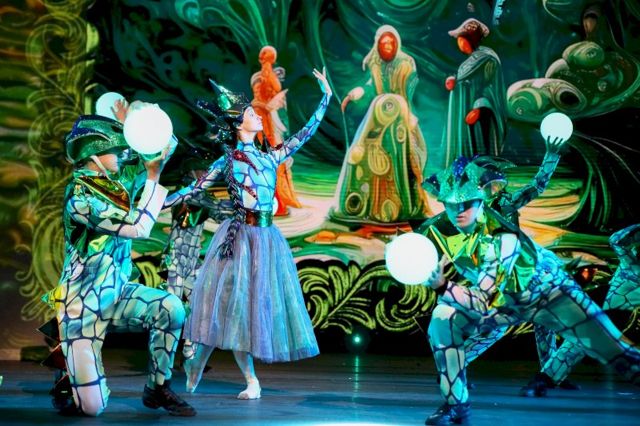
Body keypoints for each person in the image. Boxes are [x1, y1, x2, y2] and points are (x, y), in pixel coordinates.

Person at [417, 156, 640, 425]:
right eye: (452, 204)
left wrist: (443, 286)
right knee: (442, 318)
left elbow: (482, 301)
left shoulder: (503, 238)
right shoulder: (438, 229)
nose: (458, 211)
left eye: (466, 203)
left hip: (551, 293)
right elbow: (411, 249)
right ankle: (456, 406)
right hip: (506, 301)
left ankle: (547, 375)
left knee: (617, 352)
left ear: (482, 200)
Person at [164, 68, 332, 399]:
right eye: (252, 114)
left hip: (266, 240)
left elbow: (304, 134)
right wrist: (156, 202)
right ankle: (244, 377)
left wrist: (325, 97)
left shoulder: (271, 156)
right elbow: (192, 189)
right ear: (239, 124)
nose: (257, 115)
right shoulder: (227, 161)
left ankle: (204, 364)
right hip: (238, 239)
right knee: (232, 308)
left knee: (252, 310)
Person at [45, 114, 196, 416]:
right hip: (83, 306)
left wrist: (142, 119)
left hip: (116, 294)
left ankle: (158, 387)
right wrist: (153, 177)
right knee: (92, 408)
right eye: (114, 150)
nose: (121, 154)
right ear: (94, 155)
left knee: (171, 308)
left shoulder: (115, 185)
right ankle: (68, 378)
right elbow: (138, 228)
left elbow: (162, 146)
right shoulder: (79, 199)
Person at [520, 222, 640, 396]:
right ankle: (545, 378)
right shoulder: (631, 262)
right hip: (614, 314)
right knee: (580, 341)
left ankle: (547, 377)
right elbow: (617, 240)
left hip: (628, 317)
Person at [331, 24, 430, 224]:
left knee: (409, 157)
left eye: (390, 43)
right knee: (371, 157)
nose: (387, 46)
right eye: (383, 43)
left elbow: (411, 92)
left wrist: (409, 115)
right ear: (378, 45)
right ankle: (377, 203)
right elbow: (370, 87)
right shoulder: (375, 64)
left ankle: (405, 204)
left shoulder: (406, 64)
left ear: (396, 43)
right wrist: (353, 94)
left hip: (402, 118)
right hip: (379, 117)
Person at [443, 18, 507, 166]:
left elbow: (490, 87)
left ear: (470, 40)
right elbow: (464, 78)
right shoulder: (472, 59)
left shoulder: (487, 59)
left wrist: (479, 107)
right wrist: (454, 79)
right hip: (464, 111)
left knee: (480, 147)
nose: (459, 41)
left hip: (479, 115)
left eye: (461, 38)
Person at [250, 45, 299, 216]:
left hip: (265, 120)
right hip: (263, 120)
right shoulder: (265, 78)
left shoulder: (265, 77)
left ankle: (272, 201)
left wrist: (265, 105)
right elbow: (260, 101)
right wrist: (266, 105)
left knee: (268, 158)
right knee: (266, 158)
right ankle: (270, 202)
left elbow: (264, 100)